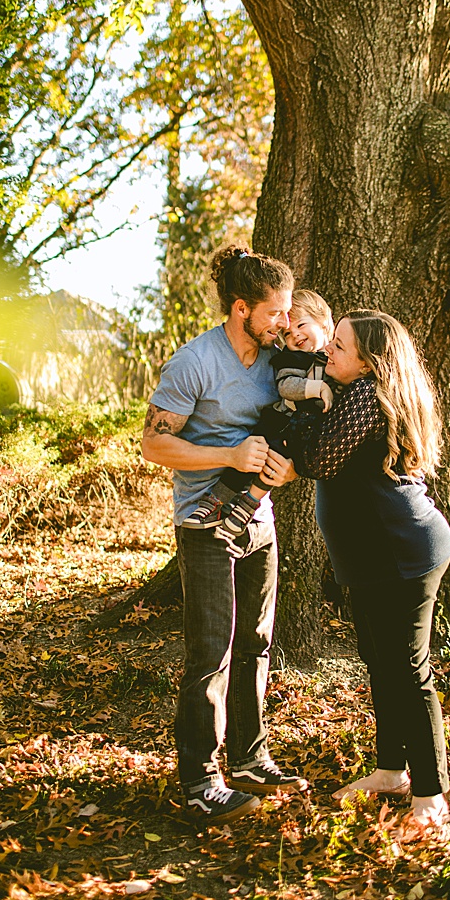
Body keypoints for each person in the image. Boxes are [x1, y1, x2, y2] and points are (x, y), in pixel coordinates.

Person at [141, 245, 309, 823]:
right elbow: (154, 445)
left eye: (288, 314)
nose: (285, 323)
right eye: (276, 313)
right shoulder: (193, 362)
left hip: (259, 521)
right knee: (209, 650)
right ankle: (198, 779)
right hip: (205, 524)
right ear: (242, 309)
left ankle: (248, 758)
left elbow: (293, 428)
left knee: (256, 645)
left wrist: (287, 469)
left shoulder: (276, 360)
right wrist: (230, 455)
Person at [293, 310, 450, 836]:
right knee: (379, 663)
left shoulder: (365, 394)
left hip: (403, 554)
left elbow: (317, 457)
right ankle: (391, 771)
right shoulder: (353, 387)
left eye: (338, 346)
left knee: (409, 671)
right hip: (370, 558)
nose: (327, 353)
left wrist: (298, 417)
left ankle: (431, 800)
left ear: (369, 361)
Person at [182, 289, 337, 547]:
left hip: (303, 436)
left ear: (323, 323)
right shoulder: (291, 359)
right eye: (287, 333)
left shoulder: (335, 360)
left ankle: (246, 507)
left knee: (273, 467)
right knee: (251, 460)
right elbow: (286, 386)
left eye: (301, 325)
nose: (295, 334)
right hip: (278, 424)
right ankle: (214, 502)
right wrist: (316, 388)